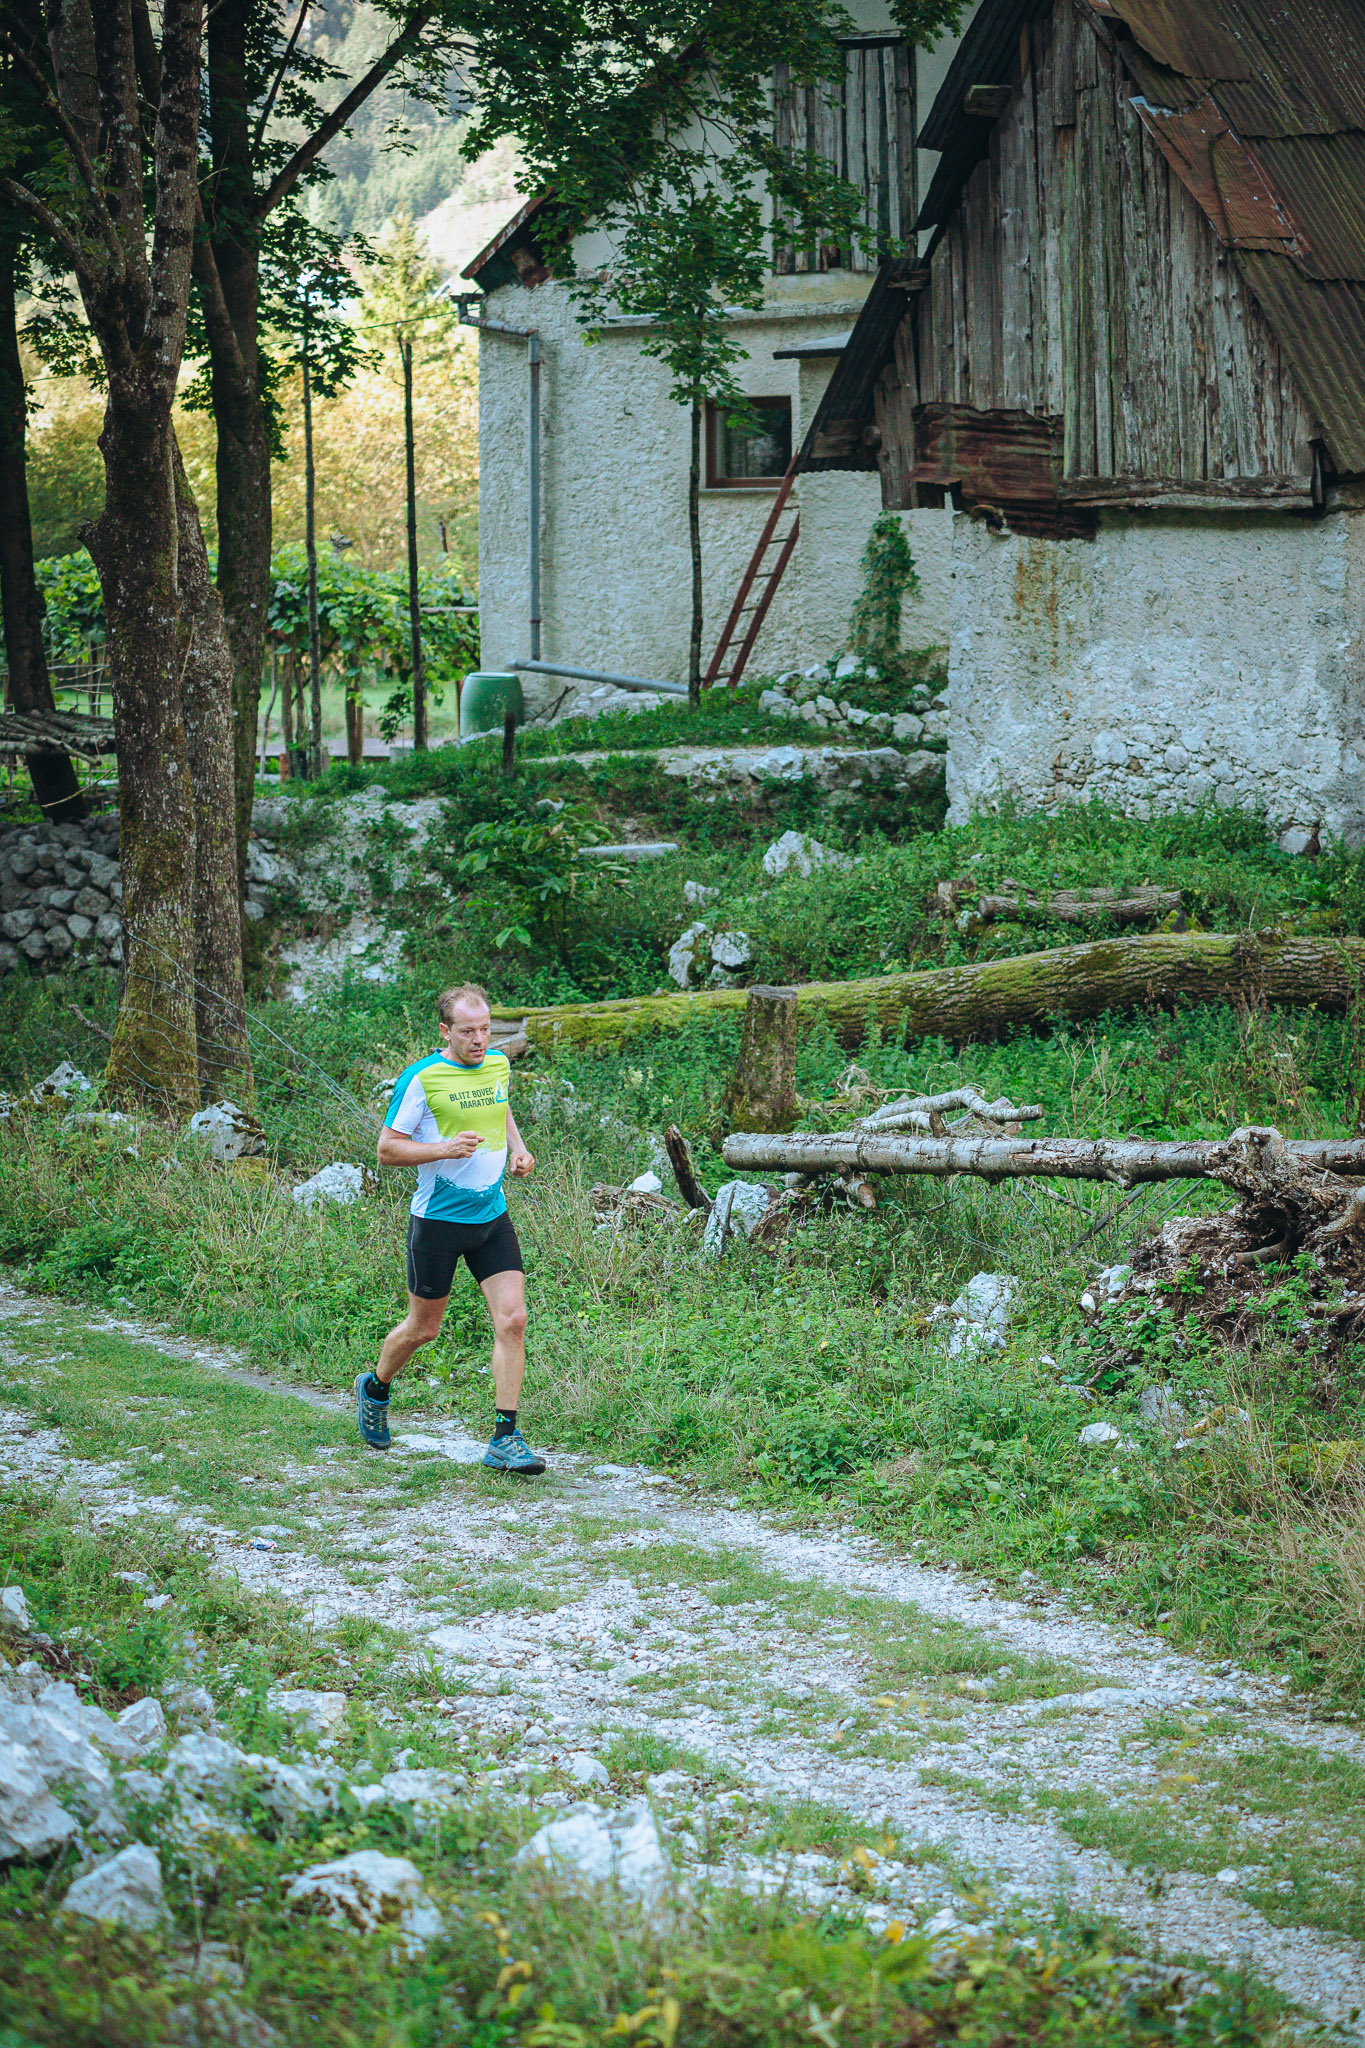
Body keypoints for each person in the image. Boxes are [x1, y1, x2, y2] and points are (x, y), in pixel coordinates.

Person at [355, 983, 545, 1474]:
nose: (479, 1040)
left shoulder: (498, 1064)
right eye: (467, 1032)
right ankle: (375, 1387)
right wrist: (444, 1148)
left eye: (485, 1029)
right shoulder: (422, 1078)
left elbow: (501, 1109)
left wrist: (519, 1151)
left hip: (491, 1217)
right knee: (424, 1328)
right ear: (445, 1031)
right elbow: (386, 1149)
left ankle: (505, 1437)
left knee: (513, 1320)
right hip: (437, 1222)